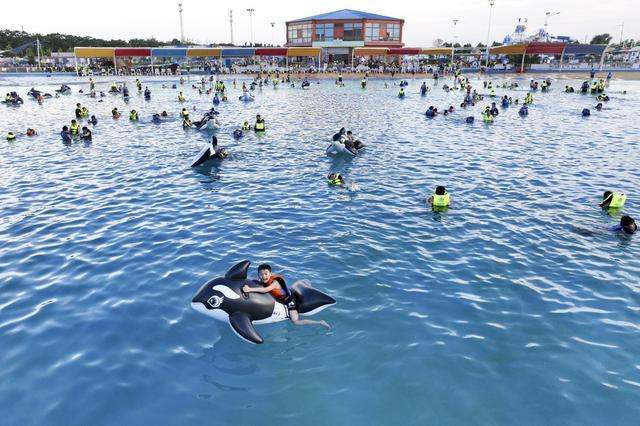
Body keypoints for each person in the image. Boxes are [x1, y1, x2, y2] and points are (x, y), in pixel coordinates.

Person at [242, 264, 331, 329]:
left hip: (290, 301)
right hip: (281, 297)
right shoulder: (263, 280)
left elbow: (266, 290)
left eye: (266, 274)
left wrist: (249, 289)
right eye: (261, 274)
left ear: (270, 273)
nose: (264, 276)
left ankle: (320, 322)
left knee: (295, 322)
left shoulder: (275, 283)